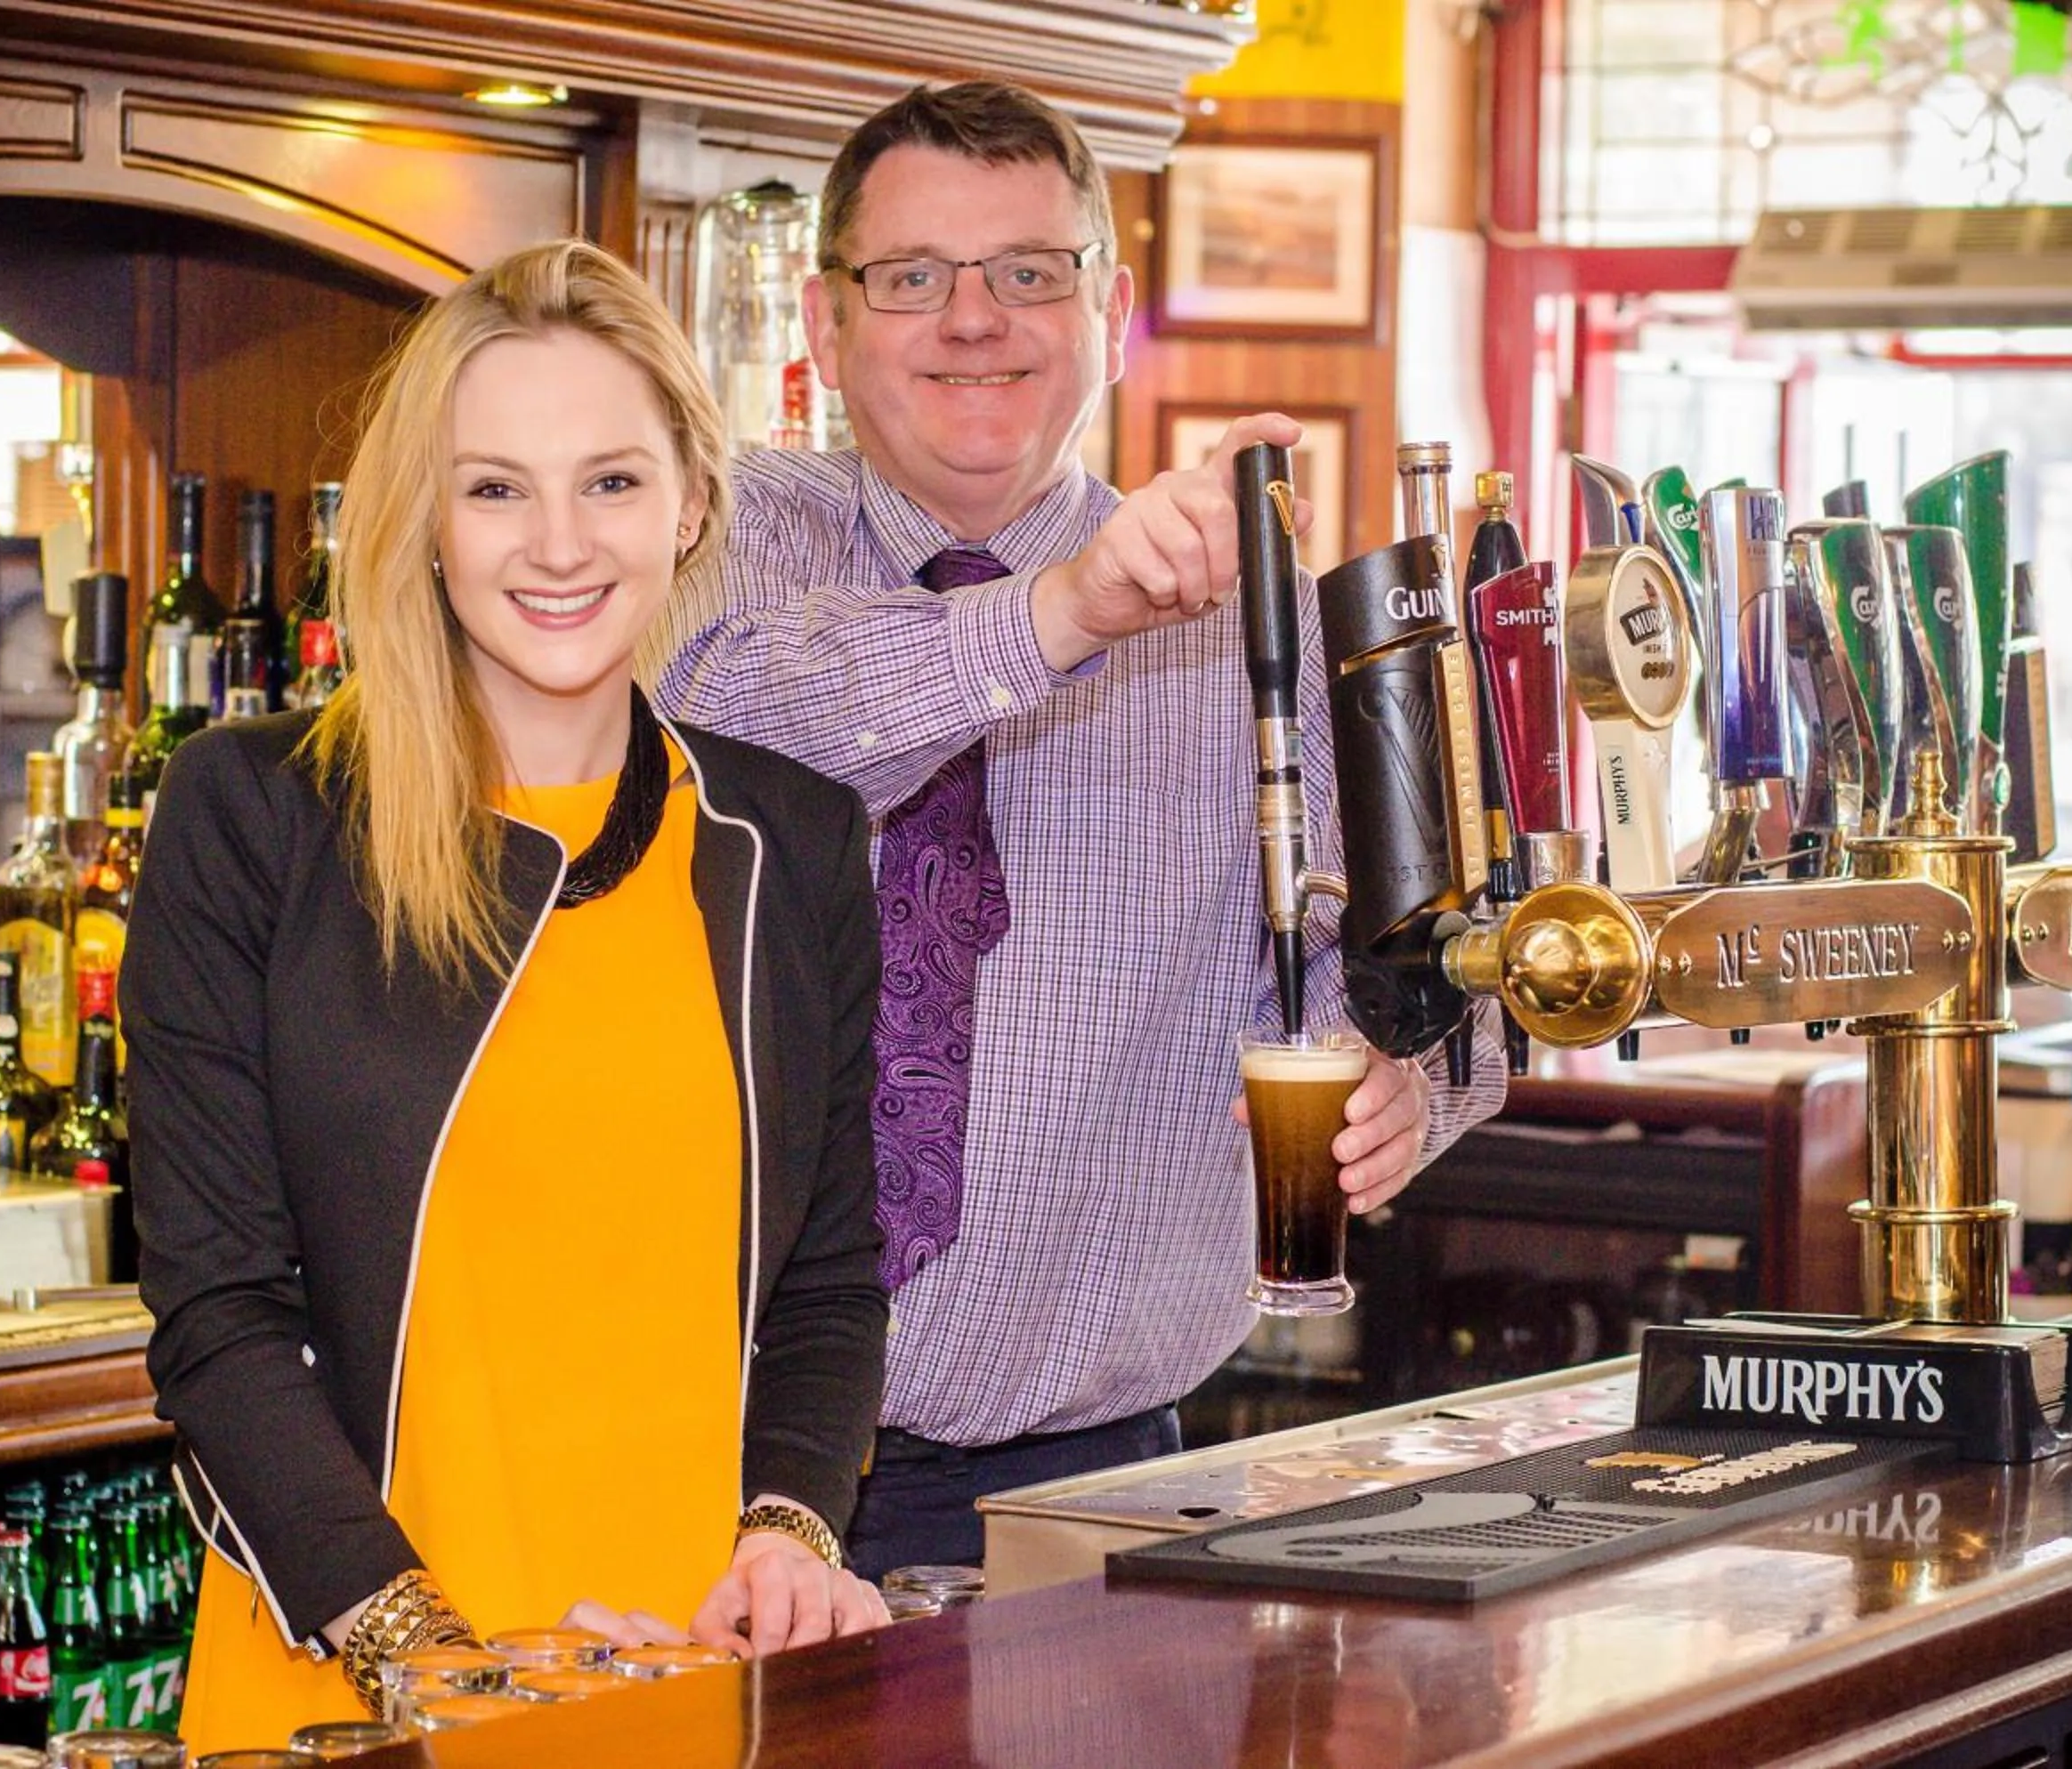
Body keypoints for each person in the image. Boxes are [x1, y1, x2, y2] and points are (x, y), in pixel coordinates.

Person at [658, 81, 1509, 1578]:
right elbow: (735, 734)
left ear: (1108, 313)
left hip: (1079, 1490)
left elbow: (1455, 974)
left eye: (1031, 273)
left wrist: (1409, 1079)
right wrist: (1065, 613)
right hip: (675, 1466)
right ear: (824, 320)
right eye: (912, 276)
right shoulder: (716, 527)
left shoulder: (1267, 632)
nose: (973, 320)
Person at [126, 239, 890, 1746]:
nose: (557, 544)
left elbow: (828, 1277)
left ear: (691, 506)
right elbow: (217, 1316)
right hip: (353, 1687)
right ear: (423, 523)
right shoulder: (256, 815)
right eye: (494, 488)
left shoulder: (788, 840)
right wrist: (432, 1662)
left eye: (609, 481)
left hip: (683, 1675)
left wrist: (788, 1534)